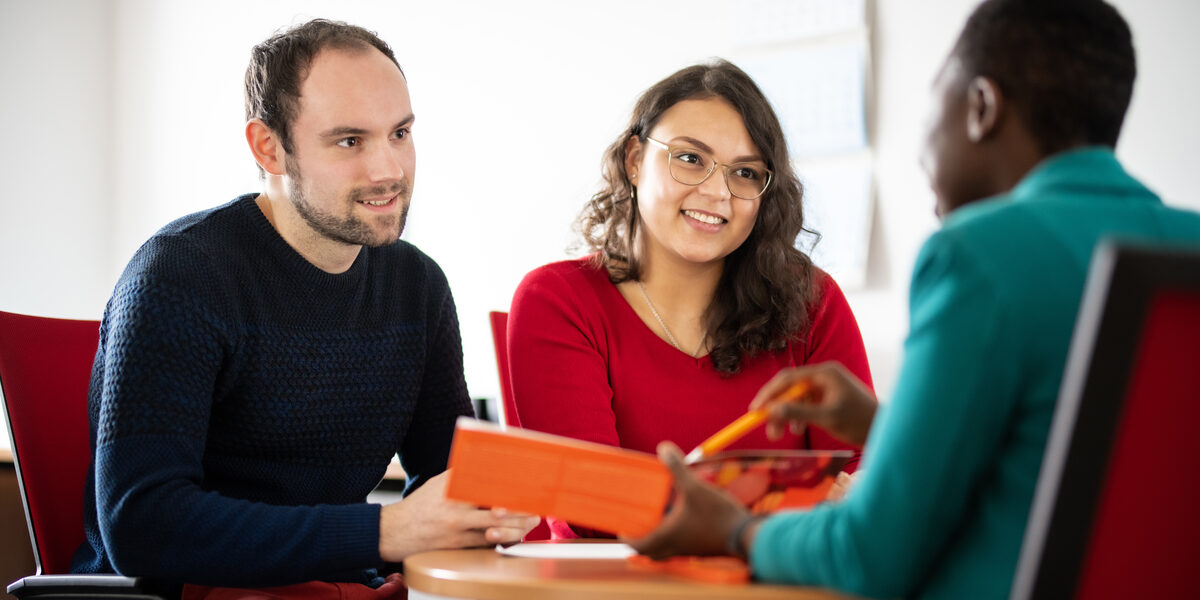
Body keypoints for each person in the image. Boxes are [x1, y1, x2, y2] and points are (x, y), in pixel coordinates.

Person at [626, 1, 1200, 598]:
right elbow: (1059, 461)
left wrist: (736, 531)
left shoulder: (979, 253)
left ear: (980, 107)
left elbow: (868, 557)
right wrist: (892, 426)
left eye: (935, 101)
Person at [70, 19, 537, 596]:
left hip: (341, 589)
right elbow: (142, 525)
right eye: (349, 141)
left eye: (400, 133)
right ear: (269, 147)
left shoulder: (416, 284)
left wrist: (487, 509)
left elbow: (447, 479)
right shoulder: (181, 273)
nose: (388, 170)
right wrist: (387, 530)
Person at [506, 60, 872, 539]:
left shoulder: (813, 300)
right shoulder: (556, 300)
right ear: (635, 160)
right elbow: (596, 511)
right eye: (690, 158)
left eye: (745, 172)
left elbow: (867, 474)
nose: (717, 191)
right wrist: (789, 512)